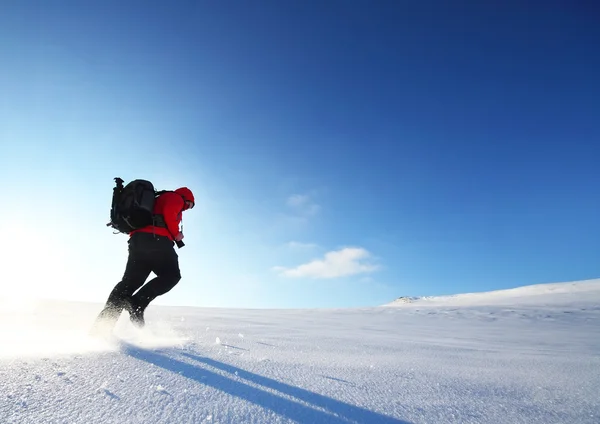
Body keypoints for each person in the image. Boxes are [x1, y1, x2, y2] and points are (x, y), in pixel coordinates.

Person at [95, 187, 195, 329]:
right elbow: (169, 214)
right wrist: (177, 235)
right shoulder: (176, 197)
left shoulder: (158, 199)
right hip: (157, 240)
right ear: (187, 197)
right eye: (191, 205)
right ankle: (137, 302)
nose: (188, 208)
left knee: (129, 283)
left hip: (138, 241)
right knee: (171, 276)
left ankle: (102, 326)